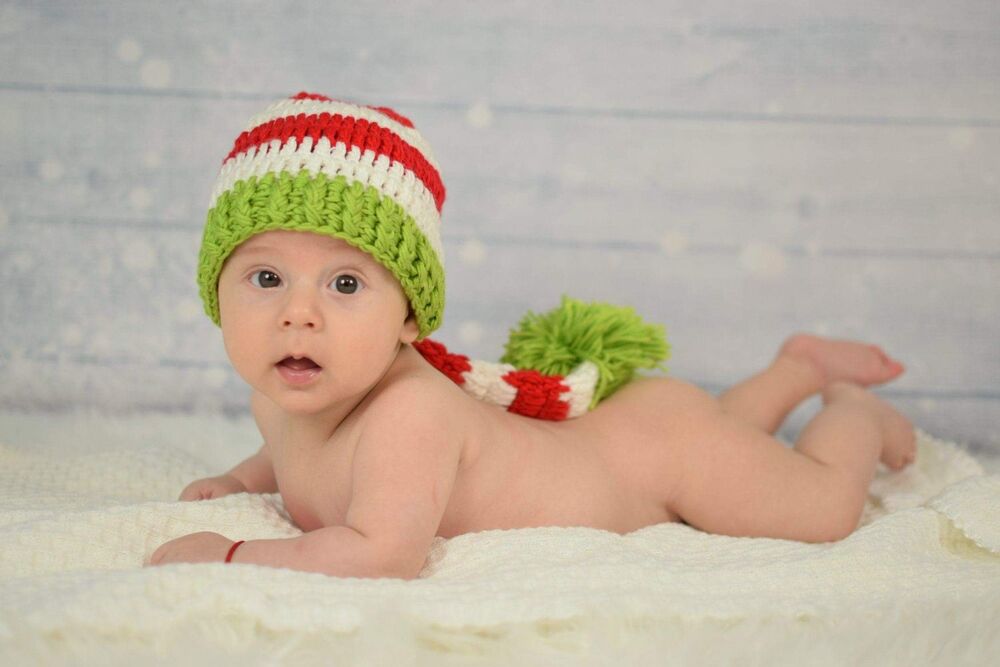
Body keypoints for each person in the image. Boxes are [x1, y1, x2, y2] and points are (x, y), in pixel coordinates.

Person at [147, 93, 916, 578]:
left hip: (657, 458)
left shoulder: (407, 415)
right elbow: (291, 449)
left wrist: (232, 553)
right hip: (634, 431)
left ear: (409, 317)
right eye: (266, 276)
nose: (298, 313)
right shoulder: (282, 393)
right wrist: (246, 480)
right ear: (216, 290)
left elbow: (382, 551)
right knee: (720, 428)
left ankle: (850, 409)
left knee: (820, 508)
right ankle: (793, 367)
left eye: (345, 284)